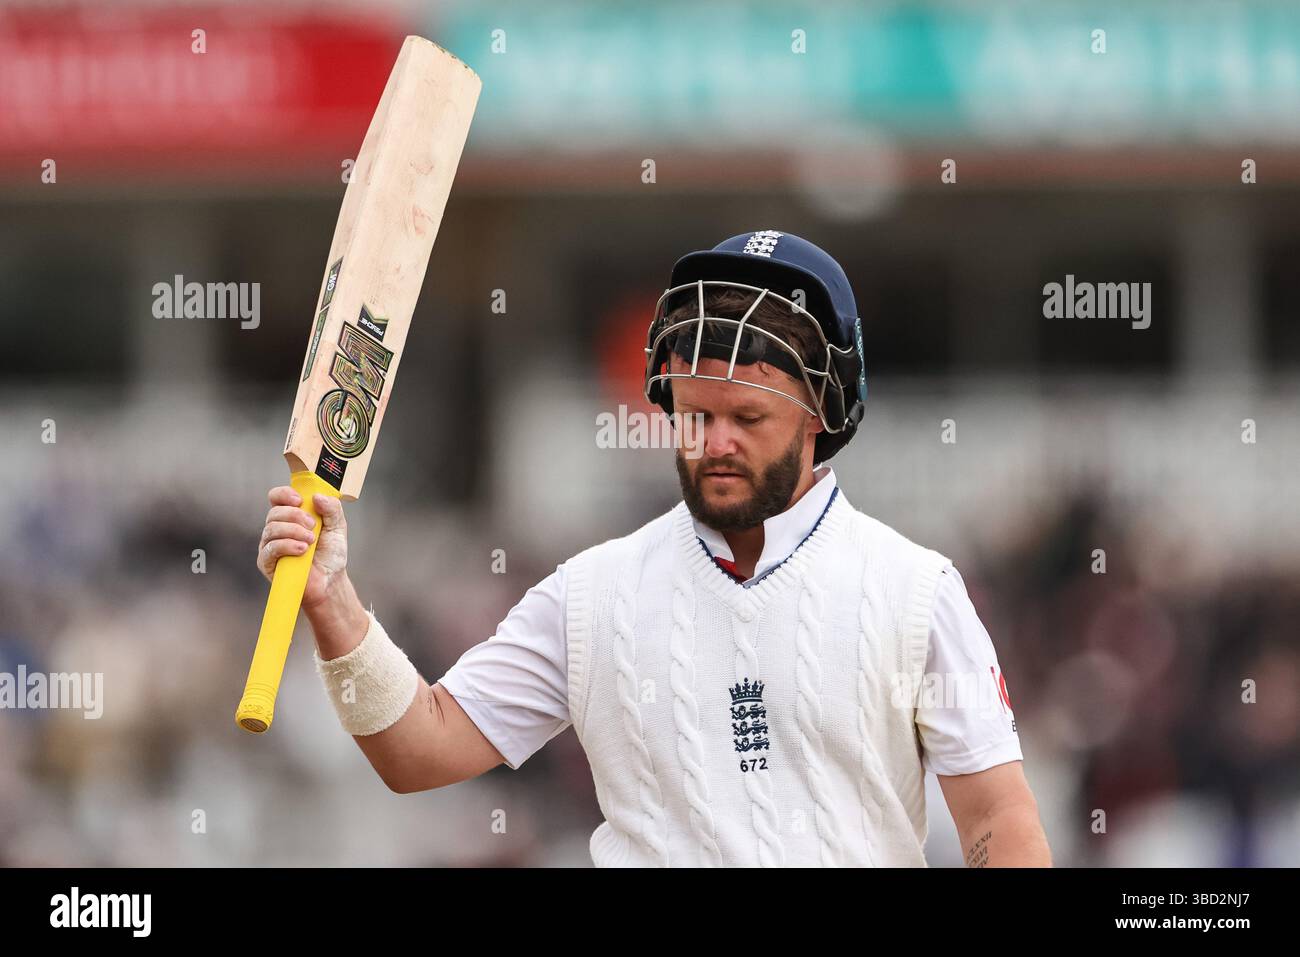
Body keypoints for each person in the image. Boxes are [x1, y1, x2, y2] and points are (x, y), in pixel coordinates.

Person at [257, 229, 1051, 867]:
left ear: (822, 415)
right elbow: (418, 749)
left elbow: (996, 821)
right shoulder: (593, 592)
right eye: (696, 414)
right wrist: (333, 600)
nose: (715, 444)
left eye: (747, 418)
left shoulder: (917, 590)